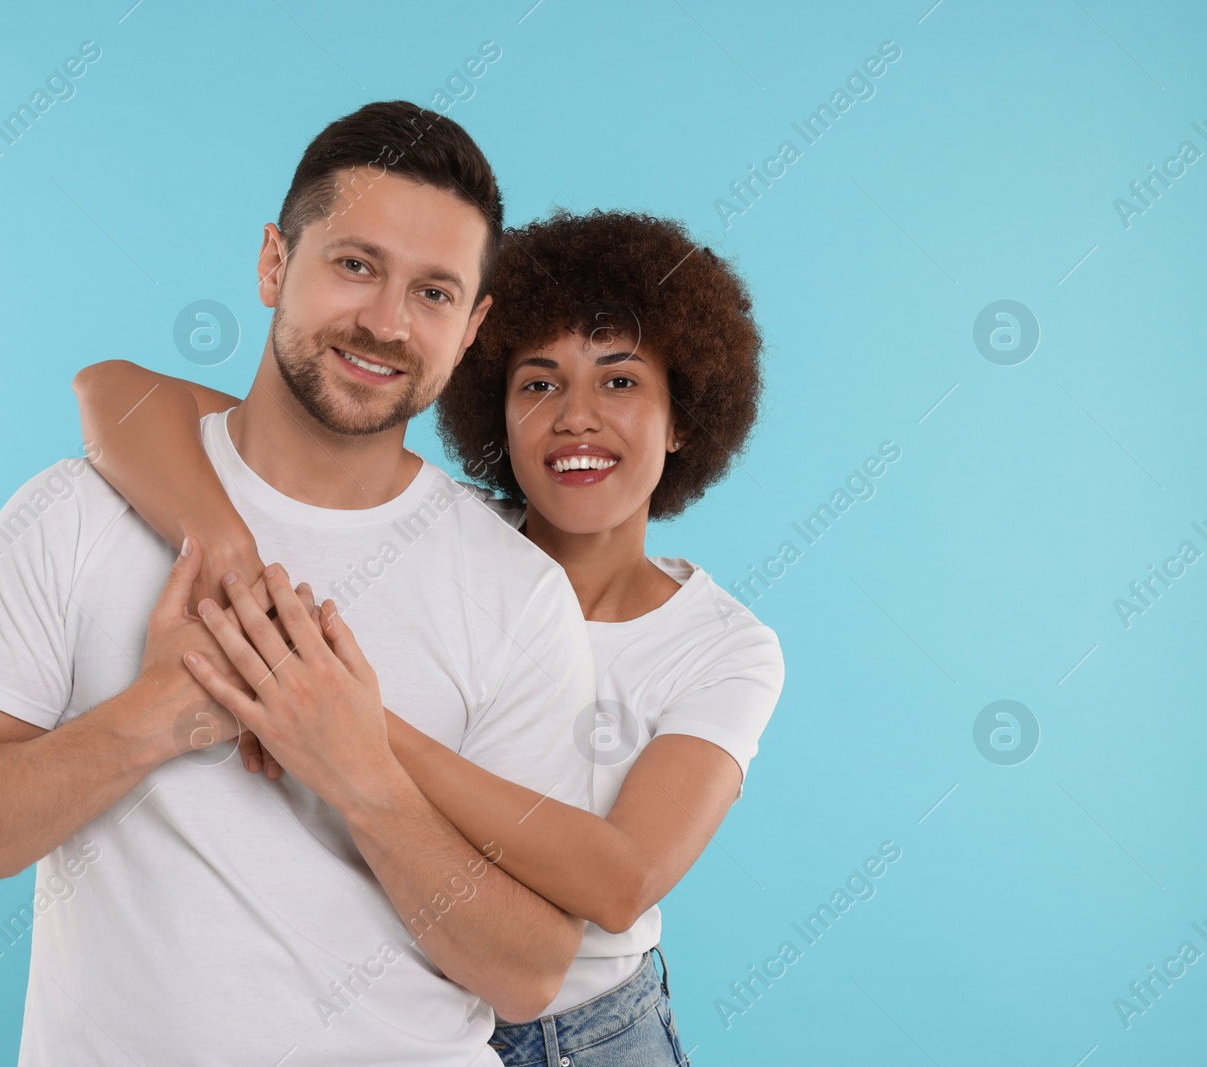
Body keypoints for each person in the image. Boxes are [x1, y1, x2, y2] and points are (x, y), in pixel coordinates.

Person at [0, 100, 604, 1066]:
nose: (387, 322)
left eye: (434, 293)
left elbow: (530, 973)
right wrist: (152, 718)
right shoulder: (77, 513)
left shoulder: (518, 594)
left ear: (472, 327)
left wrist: (363, 782)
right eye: (356, 264)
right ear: (274, 263)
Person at [75, 208, 784, 1066]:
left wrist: (349, 727)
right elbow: (115, 392)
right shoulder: (424, 535)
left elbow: (620, 878)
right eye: (538, 382)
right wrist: (225, 547)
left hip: (595, 1035)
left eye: (621, 382)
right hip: (409, 1006)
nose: (576, 417)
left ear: (683, 421)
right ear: (494, 412)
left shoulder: (725, 646)